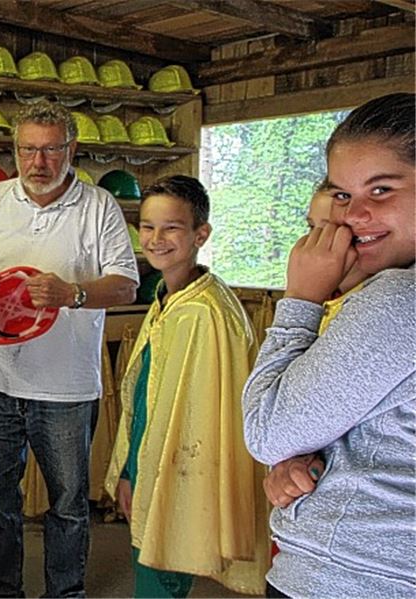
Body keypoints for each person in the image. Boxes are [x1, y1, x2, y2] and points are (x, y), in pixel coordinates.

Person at [0, 100, 139, 598]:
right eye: (28, 149)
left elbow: (125, 286)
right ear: (15, 149)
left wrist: (72, 294)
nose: (38, 162)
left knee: (69, 505)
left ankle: (65, 594)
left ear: (71, 149)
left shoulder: (100, 207)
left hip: (67, 389)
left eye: (51, 150)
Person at [242, 92, 415, 598]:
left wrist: (300, 298)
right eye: (342, 195)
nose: (354, 216)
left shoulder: (398, 300)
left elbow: (268, 431)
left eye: (380, 189)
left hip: (350, 576)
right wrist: (312, 459)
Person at [104, 175, 267, 597]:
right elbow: (148, 398)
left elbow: (200, 417)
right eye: (147, 226)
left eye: (172, 227)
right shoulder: (167, 294)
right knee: (154, 562)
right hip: (149, 464)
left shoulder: (204, 313)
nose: (156, 239)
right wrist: (129, 471)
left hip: (180, 470)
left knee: (162, 569)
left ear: (201, 234)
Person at [262, 180, 374, 508]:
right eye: (311, 228)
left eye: (332, 234)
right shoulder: (327, 306)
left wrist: (298, 297)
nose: (311, 246)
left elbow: (269, 430)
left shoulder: (372, 315)